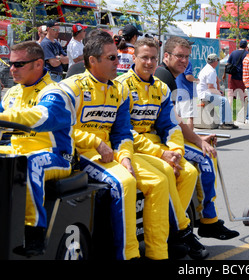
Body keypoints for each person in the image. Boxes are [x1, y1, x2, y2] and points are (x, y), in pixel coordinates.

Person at [59, 31, 170, 260]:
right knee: (125, 182)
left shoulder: (119, 90)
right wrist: (95, 142)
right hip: (77, 154)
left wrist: (126, 157)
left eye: (117, 57)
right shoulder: (71, 88)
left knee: (159, 182)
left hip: (110, 155)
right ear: (93, 60)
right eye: (111, 58)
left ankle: (158, 253)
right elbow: (62, 127)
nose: (118, 62)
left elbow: (122, 132)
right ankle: (127, 255)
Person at [117, 38, 212, 260]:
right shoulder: (121, 86)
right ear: (134, 58)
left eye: (153, 58)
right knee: (167, 174)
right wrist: (162, 154)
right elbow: (124, 131)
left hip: (156, 145)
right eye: (144, 57)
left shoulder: (161, 88)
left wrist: (176, 152)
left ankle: (170, 234)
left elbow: (170, 125)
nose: (149, 62)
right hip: (132, 147)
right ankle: (183, 231)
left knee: (189, 172)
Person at [154, 36, 239, 242]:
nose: (184, 61)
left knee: (205, 152)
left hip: (165, 135)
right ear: (166, 56)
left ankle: (202, 219)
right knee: (206, 157)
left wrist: (196, 137)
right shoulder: (163, 77)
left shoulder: (167, 76)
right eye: (179, 56)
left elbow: (175, 119)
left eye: (187, 57)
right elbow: (173, 121)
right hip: (157, 139)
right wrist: (199, 141)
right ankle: (201, 223)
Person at [1, 41, 75, 256]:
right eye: (10, 64)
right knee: (21, 160)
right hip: (16, 151)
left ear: (38, 64)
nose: (12, 69)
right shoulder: (12, 93)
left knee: (30, 164)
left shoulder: (55, 92)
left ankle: (33, 232)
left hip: (57, 156)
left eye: (19, 64)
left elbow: (42, 117)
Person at [197, 53, 238, 129]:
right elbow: (210, 87)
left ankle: (228, 121)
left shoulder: (209, 68)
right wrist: (219, 93)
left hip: (206, 92)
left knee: (224, 100)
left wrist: (219, 91)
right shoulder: (210, 71)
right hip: (205, 94)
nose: (218, 62)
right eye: (218, 60)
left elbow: (216, 81)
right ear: (215, 61)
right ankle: (223, 123)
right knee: (223, 100)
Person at [224, 40, 248, 117]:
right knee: (243, 97)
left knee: (230, 96)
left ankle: (227, 113)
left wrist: (224, 74)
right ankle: (243, 115)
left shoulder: (233, 53)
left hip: (233, 77)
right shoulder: (247, 54)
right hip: (243, 78)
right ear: (246, 46)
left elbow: (227, 64)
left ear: (239, 45)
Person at [175, 61, 197, 130]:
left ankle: (178, 135)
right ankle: (189, 138)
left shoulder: (175, 62)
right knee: (190, 117)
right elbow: (188, 76)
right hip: (187, 92)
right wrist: (196, 80)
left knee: (177, 116)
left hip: (177, 92)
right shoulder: (187, 62)